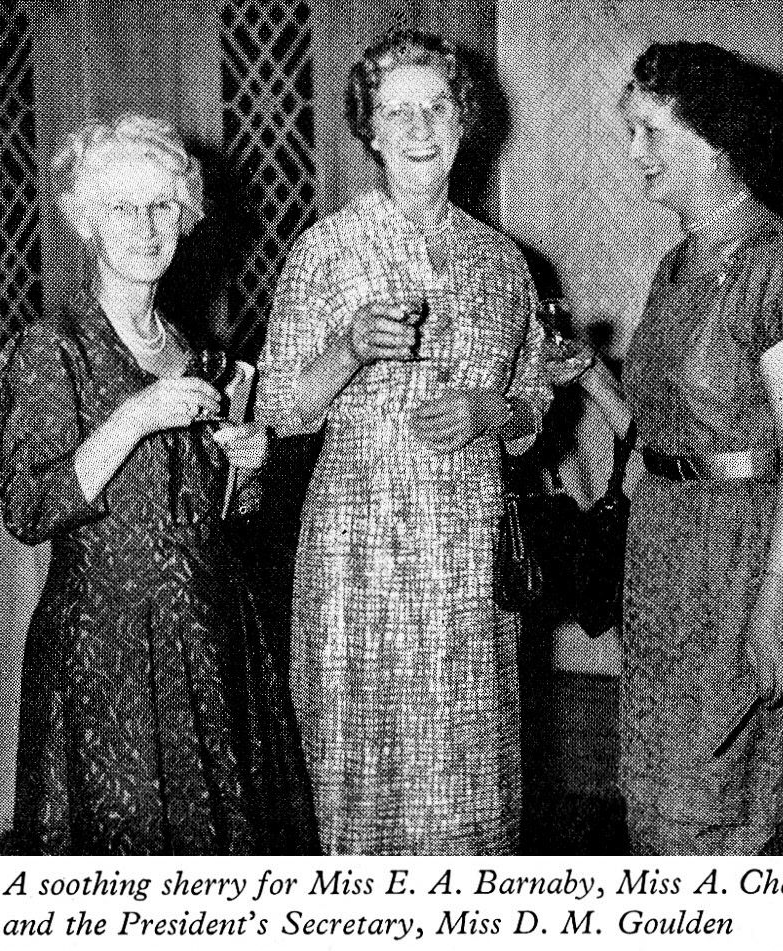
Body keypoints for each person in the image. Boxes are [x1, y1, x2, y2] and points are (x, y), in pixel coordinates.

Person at [256, 29, 551, 855]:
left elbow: (532, 410)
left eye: (437, 108)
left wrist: (493, 410)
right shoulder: (326, 250)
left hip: (467, 555)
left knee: (466, 770)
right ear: (371, 132)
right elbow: (278, 406)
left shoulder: (503, 262)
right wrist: (349, 347)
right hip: (360, 555)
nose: (420, 128)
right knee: (363, 773)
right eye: (397, 112)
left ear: (463, 123)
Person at [558, 42, 783, 855]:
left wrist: (776, 599)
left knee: (739, 806)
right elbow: (669, 437)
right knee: (665, 802)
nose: (633, 152)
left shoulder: (779, 268)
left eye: (650, 132)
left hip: (751, 553)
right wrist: (591, 377)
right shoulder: (677, 263)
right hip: (670, 556)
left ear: (717, 143)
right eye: (630, 131)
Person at [0, 114, 318, 855]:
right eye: (122, 207)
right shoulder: (53, 348)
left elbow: (215, 512)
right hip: (107, 645)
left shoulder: (194, 351)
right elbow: (29, 508)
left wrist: (248, 465)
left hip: (210, 633)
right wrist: (135, 417)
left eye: (161, 206)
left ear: (184, 217)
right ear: (87, 222)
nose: (145, 228)